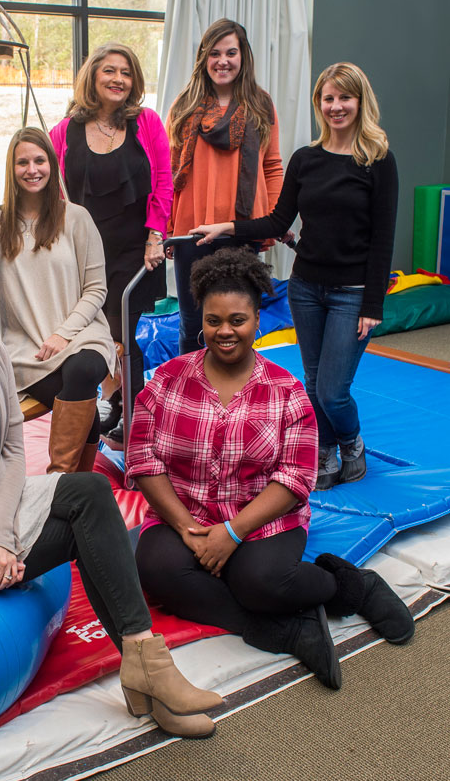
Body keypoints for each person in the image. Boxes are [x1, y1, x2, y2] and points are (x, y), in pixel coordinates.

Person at [0, 240, 222, 738]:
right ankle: (147, 678)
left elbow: (13, 450)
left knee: (92, 492)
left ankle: (146, 665)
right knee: (88, 526)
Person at [127, 248, 414, 690]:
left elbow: (295, 480)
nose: (225, 331)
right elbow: (144, 459)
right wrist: (186, 528)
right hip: (188, 514)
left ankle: (353, 588)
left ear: (258, 319)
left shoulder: (287, 392)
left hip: (263, 519)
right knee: (156, 570)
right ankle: (279, 630)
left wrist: (233, 534)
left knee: (259, 582)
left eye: (237, 320)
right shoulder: (166, 381)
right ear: (200, 319)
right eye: (213, 320)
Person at [190, 62, 398, 489]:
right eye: (329, 98)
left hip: (353, 293)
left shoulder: (377, 161)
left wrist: (373, 305)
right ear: (319, 104)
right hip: (306, 289)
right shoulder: (306, 158)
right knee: (314, 380)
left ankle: (351, 440)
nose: (336, 106)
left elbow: (383, 240)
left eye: (345, 97)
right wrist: (226, 227)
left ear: (360, 102)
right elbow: (277, 219)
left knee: (332, 391)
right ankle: (323, 451)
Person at [50, 42, 172, 441]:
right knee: (92, 334)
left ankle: (132, 417)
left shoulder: (147, 122)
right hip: (83, 252)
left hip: (135, 251)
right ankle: (110, 403)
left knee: (126, 337)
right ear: (93, 77)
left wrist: (157, 236)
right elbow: (51, 190)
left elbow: (163, 182)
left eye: (126, 72)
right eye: (109, 71)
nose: (118, 79)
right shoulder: (64, 131)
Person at [0, 128, 116, 474]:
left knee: (82, 370)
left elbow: (96, 289)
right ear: (11, 169)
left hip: (81, 332)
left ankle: (58, 479)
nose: (32, 169)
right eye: (22, 162)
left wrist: (64, 333)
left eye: (39, 160)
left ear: (52, 164)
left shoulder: (76, 217)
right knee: (80, 399)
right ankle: (75, 486)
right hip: (24, 346)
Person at [166, 18, 283, 355]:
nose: (223, 61)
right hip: (192, 232)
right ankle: (192, 397)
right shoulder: (184, 105)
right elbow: (170, 172)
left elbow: (272, 167)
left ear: (242, 56)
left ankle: (237, 398)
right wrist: (166, 228)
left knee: (240, 322)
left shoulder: (261, 103)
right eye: (214, 53)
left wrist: (274, 221)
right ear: (204, 57)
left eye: (231, 52)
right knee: (193, 323)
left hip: (241, 230)